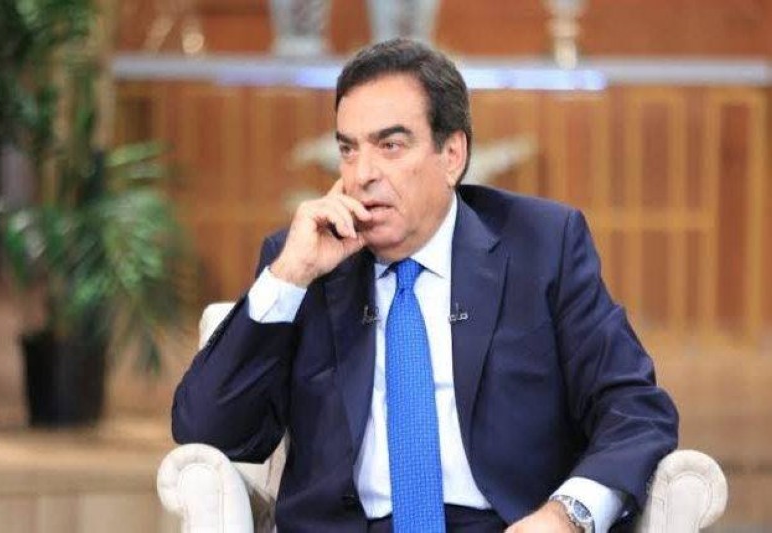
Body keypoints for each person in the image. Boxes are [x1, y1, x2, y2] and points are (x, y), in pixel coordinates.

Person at [172, 38, 678, 533]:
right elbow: (208, 432)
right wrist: (289, 276)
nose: (362, 174)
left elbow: (635, 409)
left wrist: (566, 516)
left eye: (390, 146)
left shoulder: (542, 246)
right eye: (348, 149)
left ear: (452, 154)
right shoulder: (308, 263)